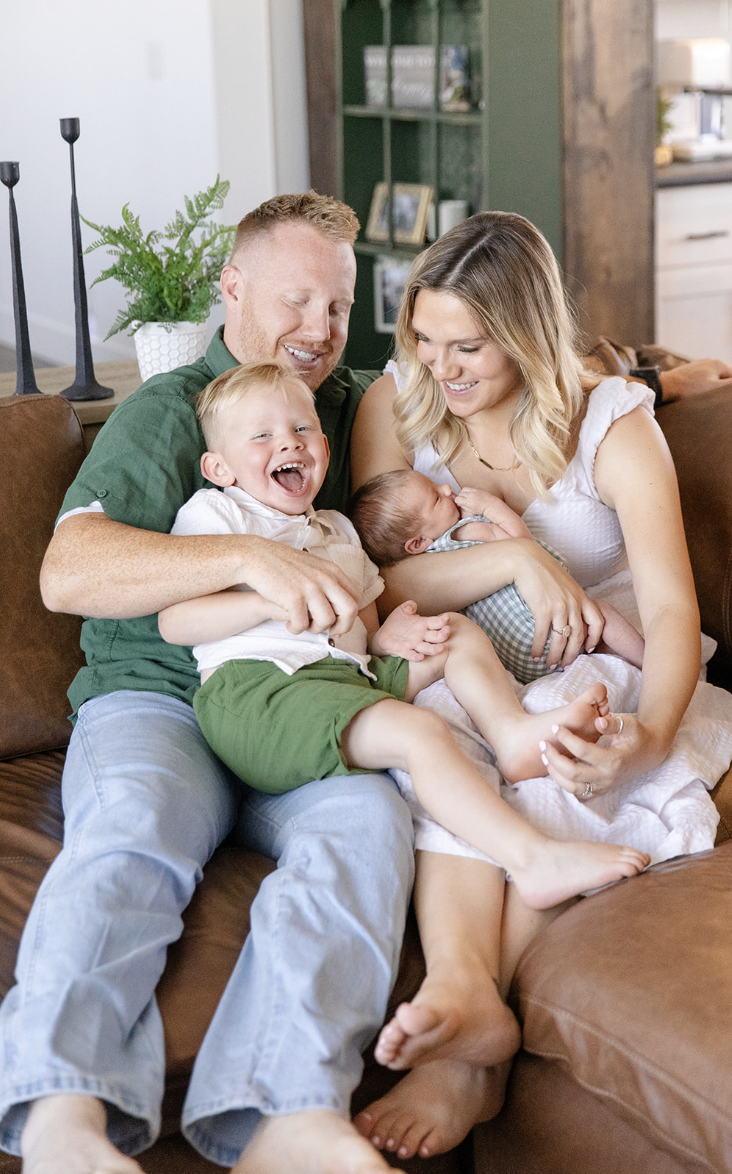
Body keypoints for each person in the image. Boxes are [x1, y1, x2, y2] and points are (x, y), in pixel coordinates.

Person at [0, 192, 421, 1174]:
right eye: (295, 299)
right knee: (136, 822)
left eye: (339, 304)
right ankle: (65, 1114)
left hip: (304, 701)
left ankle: (289, 1115)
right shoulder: (173, 408)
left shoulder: (359, 407)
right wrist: (249, 560)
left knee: (367, 825)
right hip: (162, 702)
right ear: (231, 289)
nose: (318, 329)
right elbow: (71, 571)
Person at [348, 211, 732, 1161]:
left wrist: (649, 734)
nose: (441, 367)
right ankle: (461, 992)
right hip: (470, 656)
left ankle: (469, 1050)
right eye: (425, 340)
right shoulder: (397, 403)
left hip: (617, 668)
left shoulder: (612, 425)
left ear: (526, 332)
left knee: (560, 769)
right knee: (445, 744)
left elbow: (673, 611)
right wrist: (520, 560)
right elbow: (381, 579)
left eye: (468, 346)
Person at [157, 360, 648, 911]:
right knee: (421, 732)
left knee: (453, 632)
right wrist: (267, 600)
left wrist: (391, 635)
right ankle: (531, 858)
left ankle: (510, 734)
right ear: (219, 467)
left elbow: (368, 631)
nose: (289, 445)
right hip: (260, 693)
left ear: (322, 443)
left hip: (347, 678)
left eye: (301, 430)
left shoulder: (338, 529)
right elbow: (174, 622)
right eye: (263, 435)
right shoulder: (218, 513)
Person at [349, 467, 645, 681]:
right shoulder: (466, 530)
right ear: (417, 543)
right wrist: (491, 506)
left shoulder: (429, 567)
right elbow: (521, 542)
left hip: (514, 655)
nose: (446, 490)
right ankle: (647, 662)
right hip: (541, 625)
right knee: (601, 616)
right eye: (436, 498)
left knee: (591, 639)